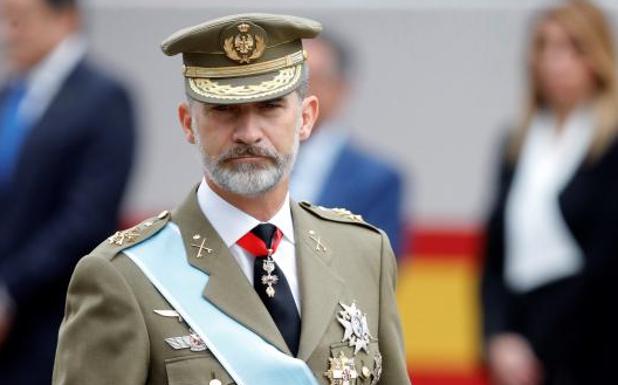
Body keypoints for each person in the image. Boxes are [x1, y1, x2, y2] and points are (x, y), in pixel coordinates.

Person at [52, 13, 410, 385]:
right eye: (224, 110)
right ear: (188, 124)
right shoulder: (123, 276)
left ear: (306, 118)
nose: (248, 133)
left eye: (270, 107)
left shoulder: (364, 253)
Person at [481, 1, 618, 384]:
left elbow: (604, 261)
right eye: (544, 46)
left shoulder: (609, 145)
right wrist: (498, 335)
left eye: (570, 48)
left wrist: (536, 344)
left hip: (591, 348)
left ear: (597, 56)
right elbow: (495, 253)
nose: (554, 62)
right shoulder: (518, 143)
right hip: (519, 339)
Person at [0, 0, 136, 383]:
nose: (8, 33)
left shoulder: (103, 98)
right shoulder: (11, 91)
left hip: (55, 316)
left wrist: (10, 287)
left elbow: (87, 217)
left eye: (19, 20)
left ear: (65, 18)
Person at [291, 35, 406, 257]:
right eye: (287, 78)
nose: (296, 91)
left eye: (309, 79)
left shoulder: (376, 179)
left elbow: (379, 267)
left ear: (339, 88)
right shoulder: (253, 159)